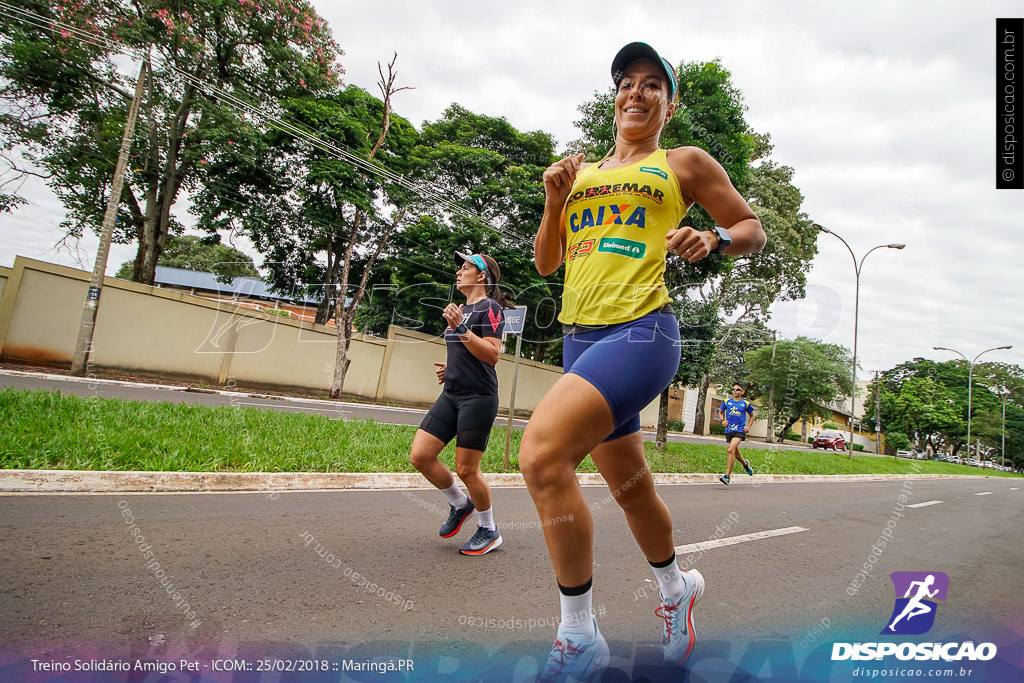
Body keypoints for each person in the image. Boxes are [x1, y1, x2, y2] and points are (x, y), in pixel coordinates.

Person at [523, 41, 766, 680]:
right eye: (627, 83)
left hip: (642, 332)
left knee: (542, 456)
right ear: (615, 98)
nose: (636, 93)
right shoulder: (579, 174)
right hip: (580, 337)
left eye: (652, 85)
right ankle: (676, 588)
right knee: (631, 488)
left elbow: (751, 228)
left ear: (669, 103)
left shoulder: (680, 162)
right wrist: (554, 200)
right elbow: (548, 263)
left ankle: (578, 637)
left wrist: (712, 238)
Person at [409, 252, 513, 556]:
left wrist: (461, 328)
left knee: (468, 470)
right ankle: (459, 503)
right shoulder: (462, 309)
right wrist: (451, 368)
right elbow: (468, 353)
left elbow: (492, 355)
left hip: (478, 398)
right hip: (452, 393)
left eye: (465, 267)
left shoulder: (489, 308)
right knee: (421, 456)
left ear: (481, 276)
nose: (459, 271)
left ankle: (489, 529)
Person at [714, 383, 756, 486]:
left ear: (742, 391)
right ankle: (745, 464)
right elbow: (720, 412)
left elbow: (752, 416)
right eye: (733, 389)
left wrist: (748, 427)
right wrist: (722, 421)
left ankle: (727, 476)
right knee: (736, 454)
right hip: (729, 430)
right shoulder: (727, 401)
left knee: (730, 450)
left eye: (738, 389)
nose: (735, 391)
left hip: (740, 430)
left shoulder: (745, 404)